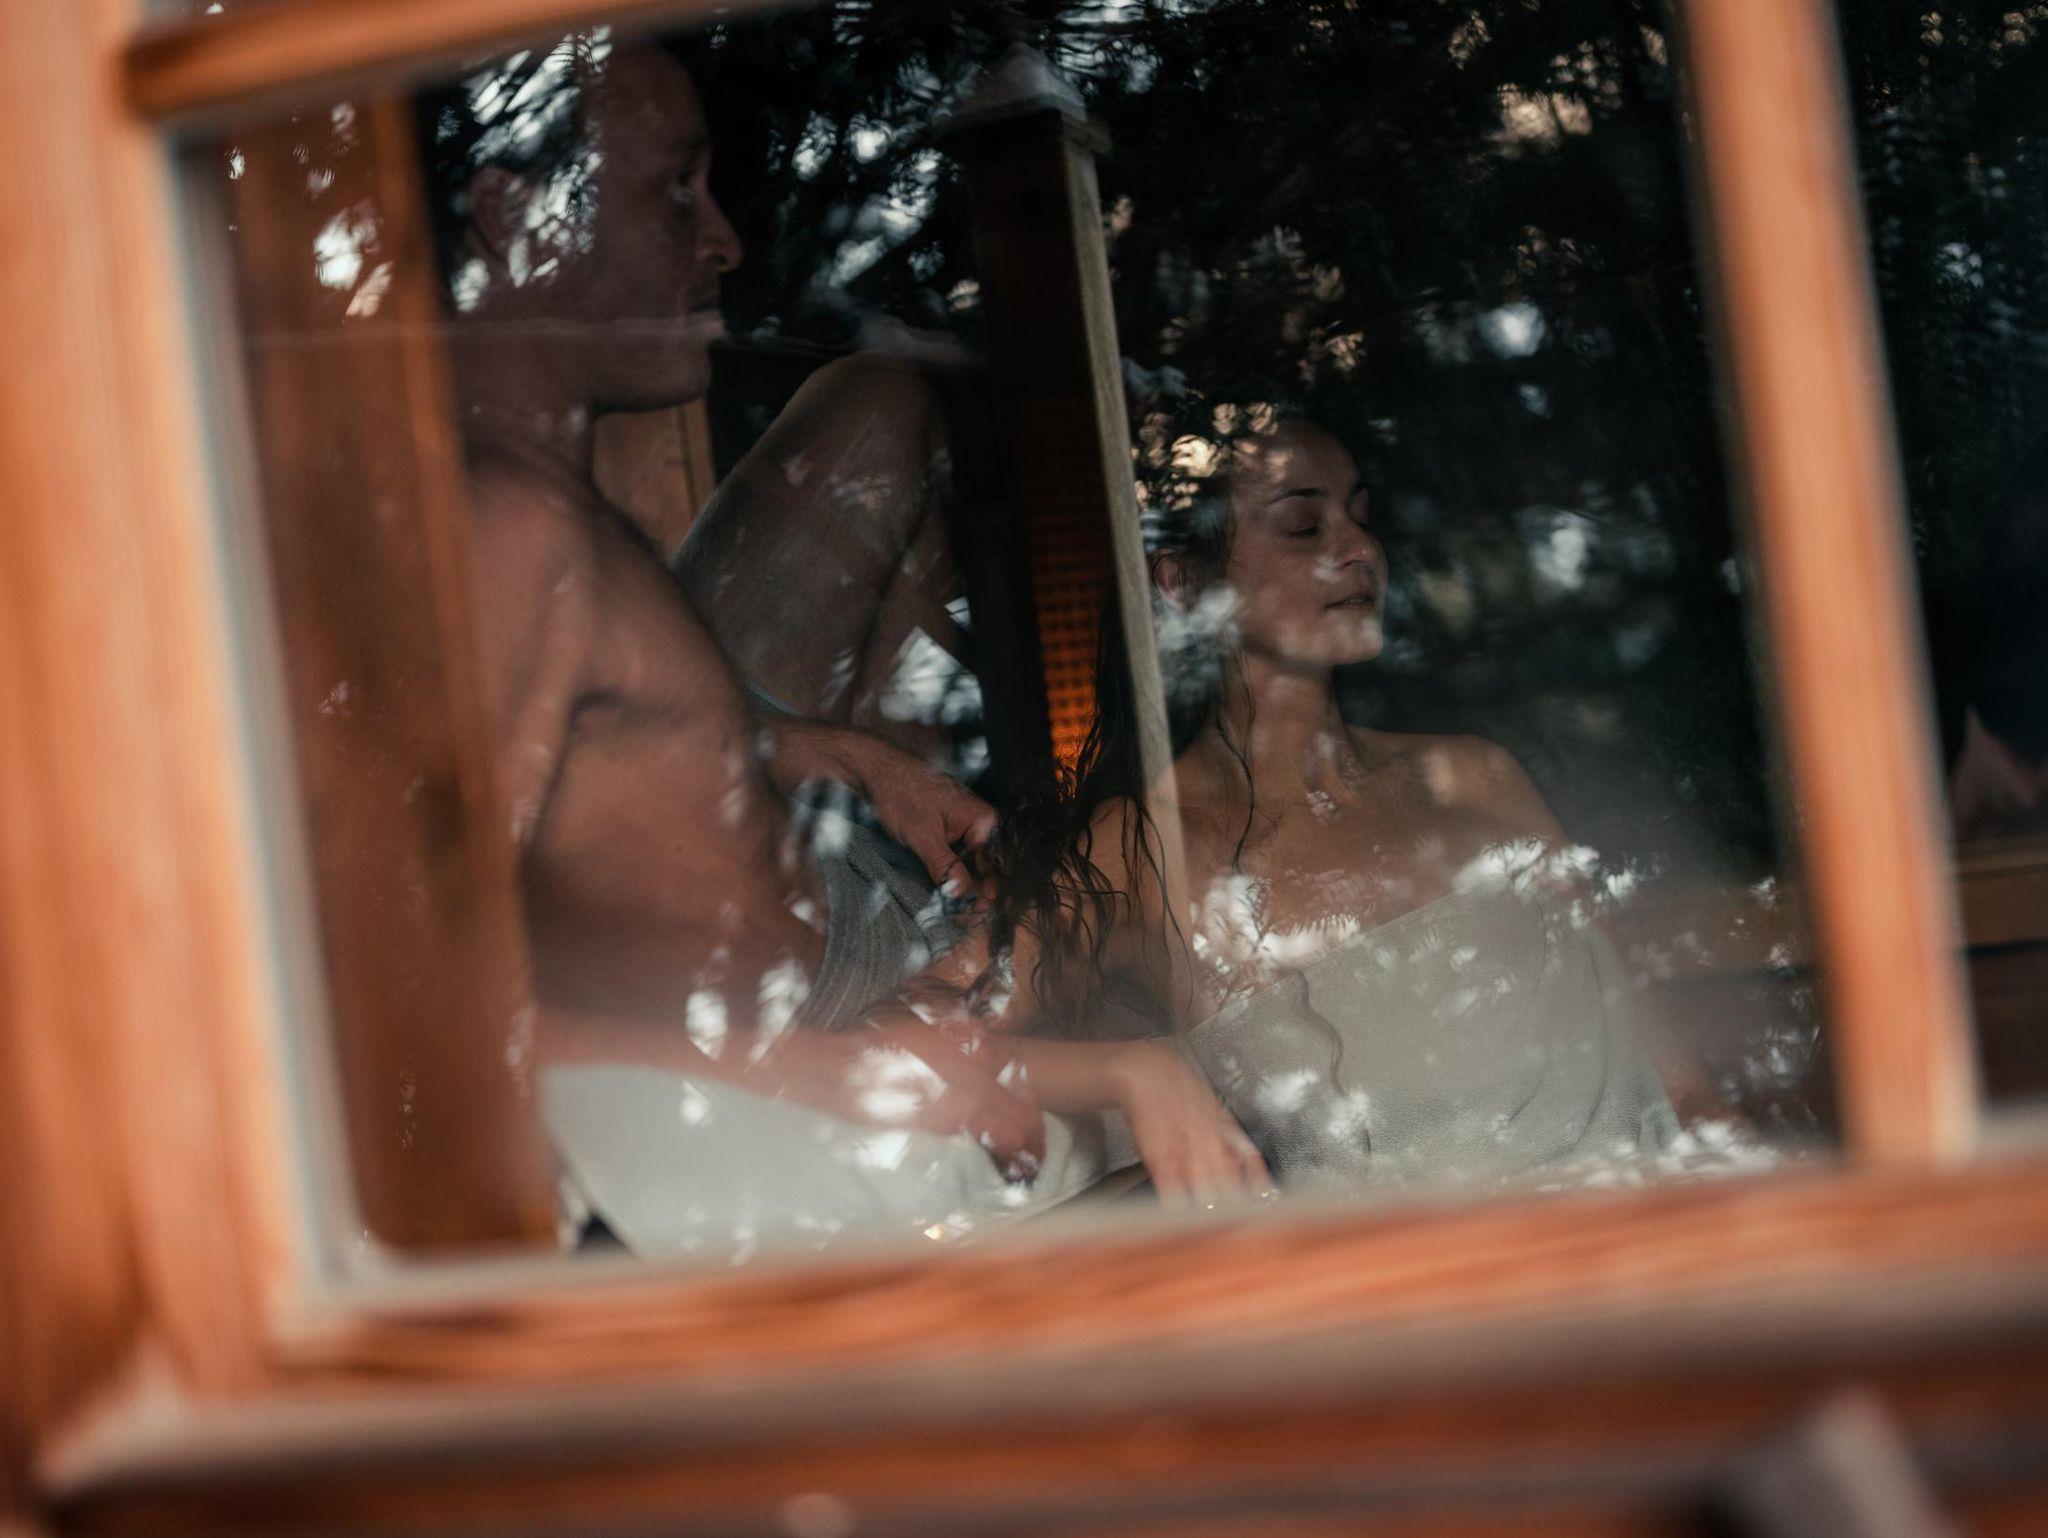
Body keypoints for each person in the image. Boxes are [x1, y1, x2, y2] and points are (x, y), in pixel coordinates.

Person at [420, 34, 1052, 1190]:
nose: (723, 239)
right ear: (514, 217)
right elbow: (409, 982)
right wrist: (810, 1071)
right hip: (813, 1017)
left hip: (832, 904)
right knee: (1129, 933)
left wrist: (853, 761)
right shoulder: (502, 528)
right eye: (676, 187)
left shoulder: (529, 498)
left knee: (882, 402)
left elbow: (594, 731)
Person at [908, 415, 1687, 1193]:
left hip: (1663, 1223)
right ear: (1183, 585)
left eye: (1361, 516)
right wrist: (1133, 1071)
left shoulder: (1474, 776)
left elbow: (1665, 1063)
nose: (1360, 549)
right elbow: (908, 1041)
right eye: (1304, 526)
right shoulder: (1147, 848)